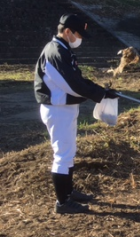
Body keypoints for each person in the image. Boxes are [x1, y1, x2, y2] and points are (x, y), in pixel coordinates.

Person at [34, 13, 119, 214]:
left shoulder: (63, 50)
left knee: (69, 153)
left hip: (65, 108)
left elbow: (77, 79)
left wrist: (102, 91)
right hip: (57, 109)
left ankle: (69, 192)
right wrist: (99, 94)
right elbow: (72, 85)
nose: (79, 39)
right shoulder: (55, 51)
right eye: (78, 34)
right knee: (62, 155)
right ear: (67, 32)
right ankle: (62, 202)